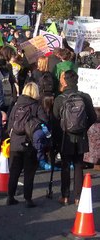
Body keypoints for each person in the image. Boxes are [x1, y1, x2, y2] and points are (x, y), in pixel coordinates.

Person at [53, 70, 97, 205]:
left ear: (65, 81)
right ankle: (78, 196)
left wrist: (56, 139)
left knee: (65, 165)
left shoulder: (60, 99)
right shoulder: (85, 97)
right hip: (81, 136)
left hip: (65, 136)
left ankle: (65, 196)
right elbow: (93, 117)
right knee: (78, 166)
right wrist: (83, 127)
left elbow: (54, 120)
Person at [7, 82, 48, 208]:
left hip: (15, 142)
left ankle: (10, 196)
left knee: (14, 171)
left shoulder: (16, 105)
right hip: (29, 143)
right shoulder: (37, 106)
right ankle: (28, 199)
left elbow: (10, 124)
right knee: (29, 172)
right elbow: (44, 123)